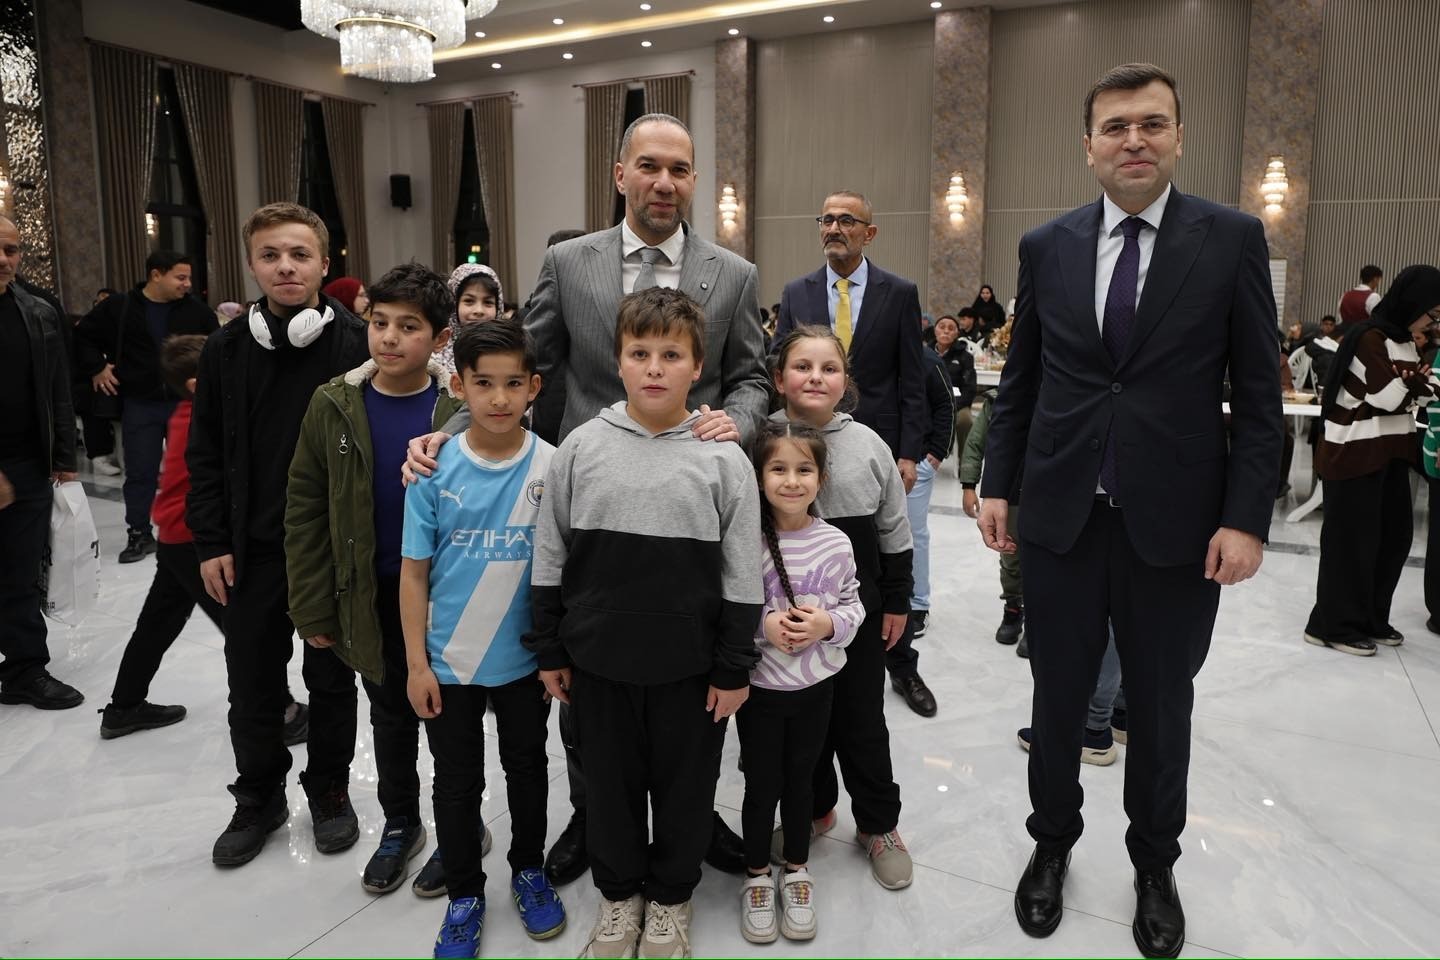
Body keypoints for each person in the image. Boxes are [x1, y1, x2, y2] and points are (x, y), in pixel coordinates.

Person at [977, 63, 1283, 958]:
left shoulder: (1230, 239)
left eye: (1152, 123)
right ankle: (1051, 846)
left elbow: (1258, 397)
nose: (1134, 140)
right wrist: (998, 483)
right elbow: (1022, 382)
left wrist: (1246, 517)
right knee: (1057, 701)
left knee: (1158, 708)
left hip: (1178, 529)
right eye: (1115, 127)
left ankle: (1154, 864)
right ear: (1089, 146)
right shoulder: (1048, 246)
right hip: (1062, 520)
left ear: (1179, 136)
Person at [415, 112, 766, 885]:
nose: (664, 182)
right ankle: (592, 812)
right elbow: (521, 361)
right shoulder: (569, 263)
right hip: (591, 506)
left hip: (687, 509)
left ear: (694, 180)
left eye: (679, 169)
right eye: (649, 166)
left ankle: (692, 810)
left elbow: (750, 377)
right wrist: (448, 434)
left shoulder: (732, 274)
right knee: (590, 674)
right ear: (620, 174)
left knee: (687, 674)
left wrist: (733, 424)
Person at [526, 287, 762, 959]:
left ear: (698, 366)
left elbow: (742, 573)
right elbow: (550, 554)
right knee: (609, 791)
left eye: (671, 355)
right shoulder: (580, 448)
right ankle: (619, 895)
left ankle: (670, 899)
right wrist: (550, 648)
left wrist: (733, 666)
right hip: (599, 663)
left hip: (691, 669)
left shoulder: (724, 460)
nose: (654, 368)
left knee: (687, 792)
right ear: (617, 360)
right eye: (639, 353)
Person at [188, 203, 368, 867]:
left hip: (333, 552)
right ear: (252, 265)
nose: (285, 267)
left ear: (324, 262)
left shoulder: (357, 343)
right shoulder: (226, 348)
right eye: (270, 255)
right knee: (252, 685)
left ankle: (329, 790)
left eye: (299, 254)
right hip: (253, 548)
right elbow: (205, 450)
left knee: (332, 681)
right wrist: (211, 540)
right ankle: (258, 796)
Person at [285, 263, 471, 897]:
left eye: (408, 327)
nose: (389, 337)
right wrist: (313, 607)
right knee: (390, 718)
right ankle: (401, 824)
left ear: (440, 338)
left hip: (446, 598)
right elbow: (305, 507)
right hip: (370, 596)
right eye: (379, 322)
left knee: (451, 724)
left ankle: (459, 829)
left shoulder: (460, 407)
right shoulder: (334, 403)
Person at [401, 320, 564, 955]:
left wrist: (555, 653)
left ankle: (529, 870)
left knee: (528, 768)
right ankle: (465, 893)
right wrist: (417, 664)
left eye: (513, 384)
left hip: (525, 662)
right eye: (483, 383)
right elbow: (414, 574)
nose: (499, 398)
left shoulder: (554, 465)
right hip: (449, 663)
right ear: (458, 386)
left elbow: (564, 571)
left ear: (534, 388)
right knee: (456, 781)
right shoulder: (433, 468)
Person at [100, 333, 310, 743]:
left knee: (158, 623)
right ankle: (282, 712)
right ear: (199, 384)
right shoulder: (203, 420)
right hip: (194, 541)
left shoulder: (192, 413)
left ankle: (123, 707)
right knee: (247, 629)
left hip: (176, 536)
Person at [768, 325, 915, 892]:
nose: (815, 378)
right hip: (782, 623)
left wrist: (896, 598)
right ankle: (814, 807)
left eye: (829, 368)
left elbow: (894, 529)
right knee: (801, 726)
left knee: (861, 722)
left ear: (846, 380)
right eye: (801, 367)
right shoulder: (761, 442)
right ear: (779, 378)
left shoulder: (869, 446)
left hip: (857, 616)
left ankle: (878, 824)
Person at [739, 421, 864, 944]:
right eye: (778, 469)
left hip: (816, 689)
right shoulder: (744, 539)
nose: (792, 481)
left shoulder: (836, 543)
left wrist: (827, 624)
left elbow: (854, 604)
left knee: (801, 780)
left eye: (804, 469)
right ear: (758, 477)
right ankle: (755, 875)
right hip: (760, 691)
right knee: (760, 783)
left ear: (822, 478)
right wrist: (764, 626)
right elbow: (725, 607)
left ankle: (796, 869)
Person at [1307, 265, 1440, 656]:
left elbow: (1427, 389)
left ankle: (1370, 617)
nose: (1433, 324)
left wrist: (1412, 384)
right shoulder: (1369, 338)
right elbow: (1389, 396)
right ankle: (1333, 625)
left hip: (1391, 451)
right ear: (1412, 303)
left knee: (1392, 539)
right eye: (1432, 314)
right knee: (1352, 543)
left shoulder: (1404, 342)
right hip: (1354, 453)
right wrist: (1414, 385)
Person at [774, 191, 926, 494]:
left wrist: (909, 454)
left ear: (869, 234)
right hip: (806, 437)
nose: (833, 229)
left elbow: (912, 380)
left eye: (846, 221)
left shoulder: (899, 293)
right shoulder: (797, 292)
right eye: (827, 220)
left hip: (878, 436)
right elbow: (777, 362)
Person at [77, 250, 217, 562]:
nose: (187, 284)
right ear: (156, 275)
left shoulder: (196, 311)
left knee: (195, 470)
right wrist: (96, 367)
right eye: (180, 277)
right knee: (140, 471)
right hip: (140, 403)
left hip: (187, 403)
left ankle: (196, 531)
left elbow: (220, 346)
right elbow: (83, 336)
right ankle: (139, 533)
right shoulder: (121, 307)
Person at [0, 215, 83, 711]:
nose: (3, 259)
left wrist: (64, 457)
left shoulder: (37, 310)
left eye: (11, 249)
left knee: (20, 571)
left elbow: (58, 390)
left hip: (27, 463)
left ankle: (25, 669)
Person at [885, 338, 954, 717]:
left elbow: (945, 405)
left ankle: (918, 604)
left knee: (913, 535)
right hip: (877, 458)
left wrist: (935, 454)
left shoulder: (927, 360)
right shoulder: (871, 354)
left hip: (915, 462)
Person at [960, 386, 1027, 653]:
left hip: (1050, 492)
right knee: (1010, 554)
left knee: (1044, 558)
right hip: (1008, 492)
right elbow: (975, 443)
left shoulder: (1060, 389)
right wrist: (969, 484)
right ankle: (1013, 608)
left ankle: (1038, 617)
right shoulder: (997, 400)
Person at [435, 263, 504, 377]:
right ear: (454, 305)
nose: (479, 310)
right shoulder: (434, 358)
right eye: (469, 301)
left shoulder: (509, 354)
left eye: (488, 302)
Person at [933, 314, 977, 454]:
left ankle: (964, 460)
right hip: (930, 403)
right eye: (942, 327)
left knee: (965, 420)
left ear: (957, 333)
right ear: (935, 330)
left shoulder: (965, 357)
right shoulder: (925, 353)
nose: (946, 331)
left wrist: (953, 405)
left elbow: (970, 387)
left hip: (957, 403)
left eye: (951, 328)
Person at [1337, 264, 1383, 328]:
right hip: (1363, 333)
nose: (1378, 283)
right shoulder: (1373, 296)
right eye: (1379, 280)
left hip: (1344, 332)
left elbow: (1340, 319)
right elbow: (1377, 321)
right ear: (1375, 279)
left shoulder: (1345, 295)